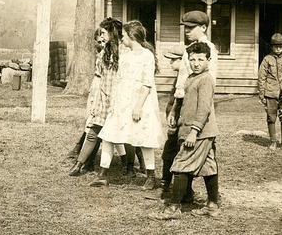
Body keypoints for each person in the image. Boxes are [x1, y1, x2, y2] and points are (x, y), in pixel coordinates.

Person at [150, 42, 221, 220]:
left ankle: (173, 208)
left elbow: (204, 109)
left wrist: (194, 132)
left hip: (199, 132)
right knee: (208, 166)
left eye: (200, 59)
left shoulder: (206, 79)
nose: (196, 63)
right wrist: (175, 112)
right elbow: (183, 101)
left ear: (208, 60)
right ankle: (212, 205)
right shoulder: (191, 78)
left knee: (180, 165)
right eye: (192, 59)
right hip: (194, 131)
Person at [91, 21, 163, 189]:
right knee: (109, 135)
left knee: (144, 138)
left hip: (139, 102)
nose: (121, 38)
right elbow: (118, 80)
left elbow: (147, 83)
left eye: (123, 36)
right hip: (121, 101)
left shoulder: (147, 55)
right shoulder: (125, 56)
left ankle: (150, 177)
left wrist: (138, 106)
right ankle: (103, 175)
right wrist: (113, 102)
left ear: (132, 37)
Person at [69, 20, 128, 176]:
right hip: (103, 98)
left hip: (119, 99)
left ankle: (130, 167)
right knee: (93, 131)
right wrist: (97, 100)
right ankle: (78, 165)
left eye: (103, 33)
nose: (101, 36)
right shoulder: (103, 53)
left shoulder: (125, 53)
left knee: (122, 134)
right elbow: (100, 77)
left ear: (112, 32)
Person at [150, 44, 190, 202]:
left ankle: (180, 190)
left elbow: (180, 102)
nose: (170, 63)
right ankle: (165, 185)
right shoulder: (179, 76)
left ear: (182, 60)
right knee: (169, 152)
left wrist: (175, 121)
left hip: (181, 122)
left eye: (173, 60)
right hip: (174, 121)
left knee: (176, 153)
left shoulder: (186, 78)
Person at [258, 33, 282, 151]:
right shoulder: (266, 60)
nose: (278, 48)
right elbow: (261, 78)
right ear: (272, 47)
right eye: (276, 46)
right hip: (271, 93)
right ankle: (273, 141)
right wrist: (262, 95)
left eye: (280, 46)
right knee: (271, 117)